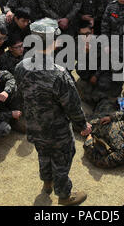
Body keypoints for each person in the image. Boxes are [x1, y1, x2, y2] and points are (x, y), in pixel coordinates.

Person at [14, 18, 92, 206]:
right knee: (62, 160)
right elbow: (72, 106)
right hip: (57, 131)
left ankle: (47, 183)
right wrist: (82, 125)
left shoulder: (20, 67)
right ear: (55, 42)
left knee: (43, 154)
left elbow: (21, 95)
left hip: (34, 126)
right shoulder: (59, 74)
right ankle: (64, 196)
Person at [74, 20, 121, 112]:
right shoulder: (78, 43)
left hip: (104, 70)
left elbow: (107, 61)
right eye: (82, 35)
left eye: (87, 34)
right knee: (79, 68)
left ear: (92, 32)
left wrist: (96, 75)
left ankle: (109, 99)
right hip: (90, 71)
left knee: (104, 84)